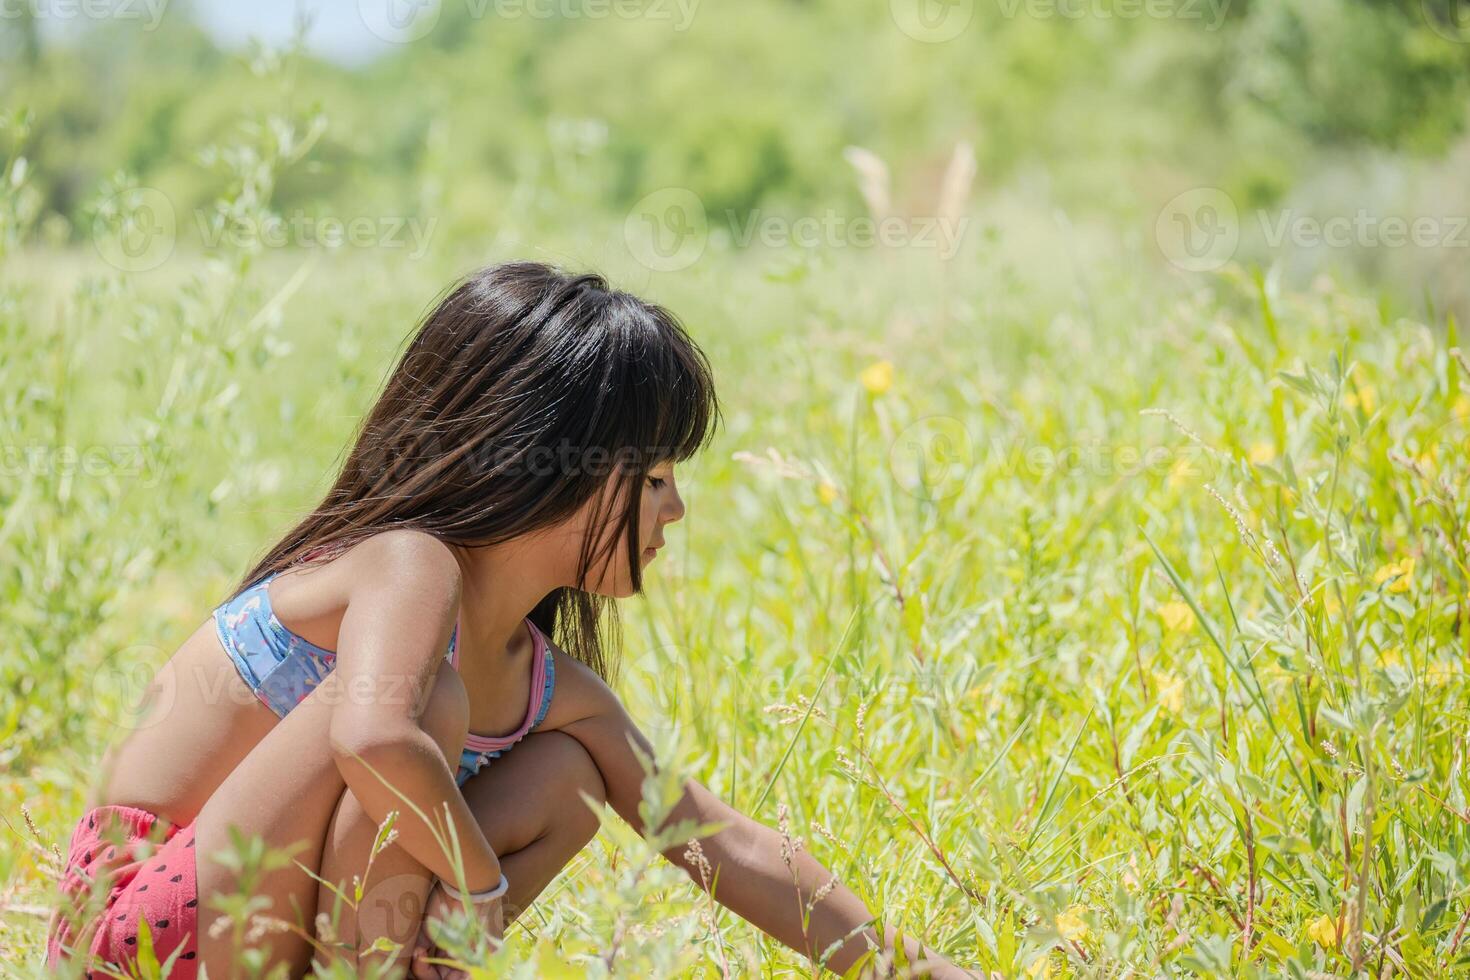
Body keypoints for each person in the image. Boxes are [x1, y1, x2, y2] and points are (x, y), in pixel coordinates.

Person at [45, 261, 974, 979]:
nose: (676, 511)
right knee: (419, 714)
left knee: (573, 776)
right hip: (136, 936)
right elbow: (373, 735)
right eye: (651, 479)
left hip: (280, 940)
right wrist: (479, 883)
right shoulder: (407, 564)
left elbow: (713, 836)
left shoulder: (545, 685)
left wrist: (904, 964)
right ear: (540, 462)